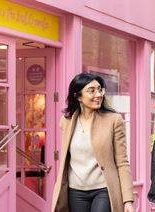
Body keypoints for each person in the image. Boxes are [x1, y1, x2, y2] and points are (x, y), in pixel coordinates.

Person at [51, 73, 134, 212]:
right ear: (78, 96)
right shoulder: (66, 122)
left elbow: (122, 162)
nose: (98, 94)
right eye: (91, 90)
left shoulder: (113, 120)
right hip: (75, 191)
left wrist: (128, 200)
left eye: (100, 89)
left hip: (103, 189)